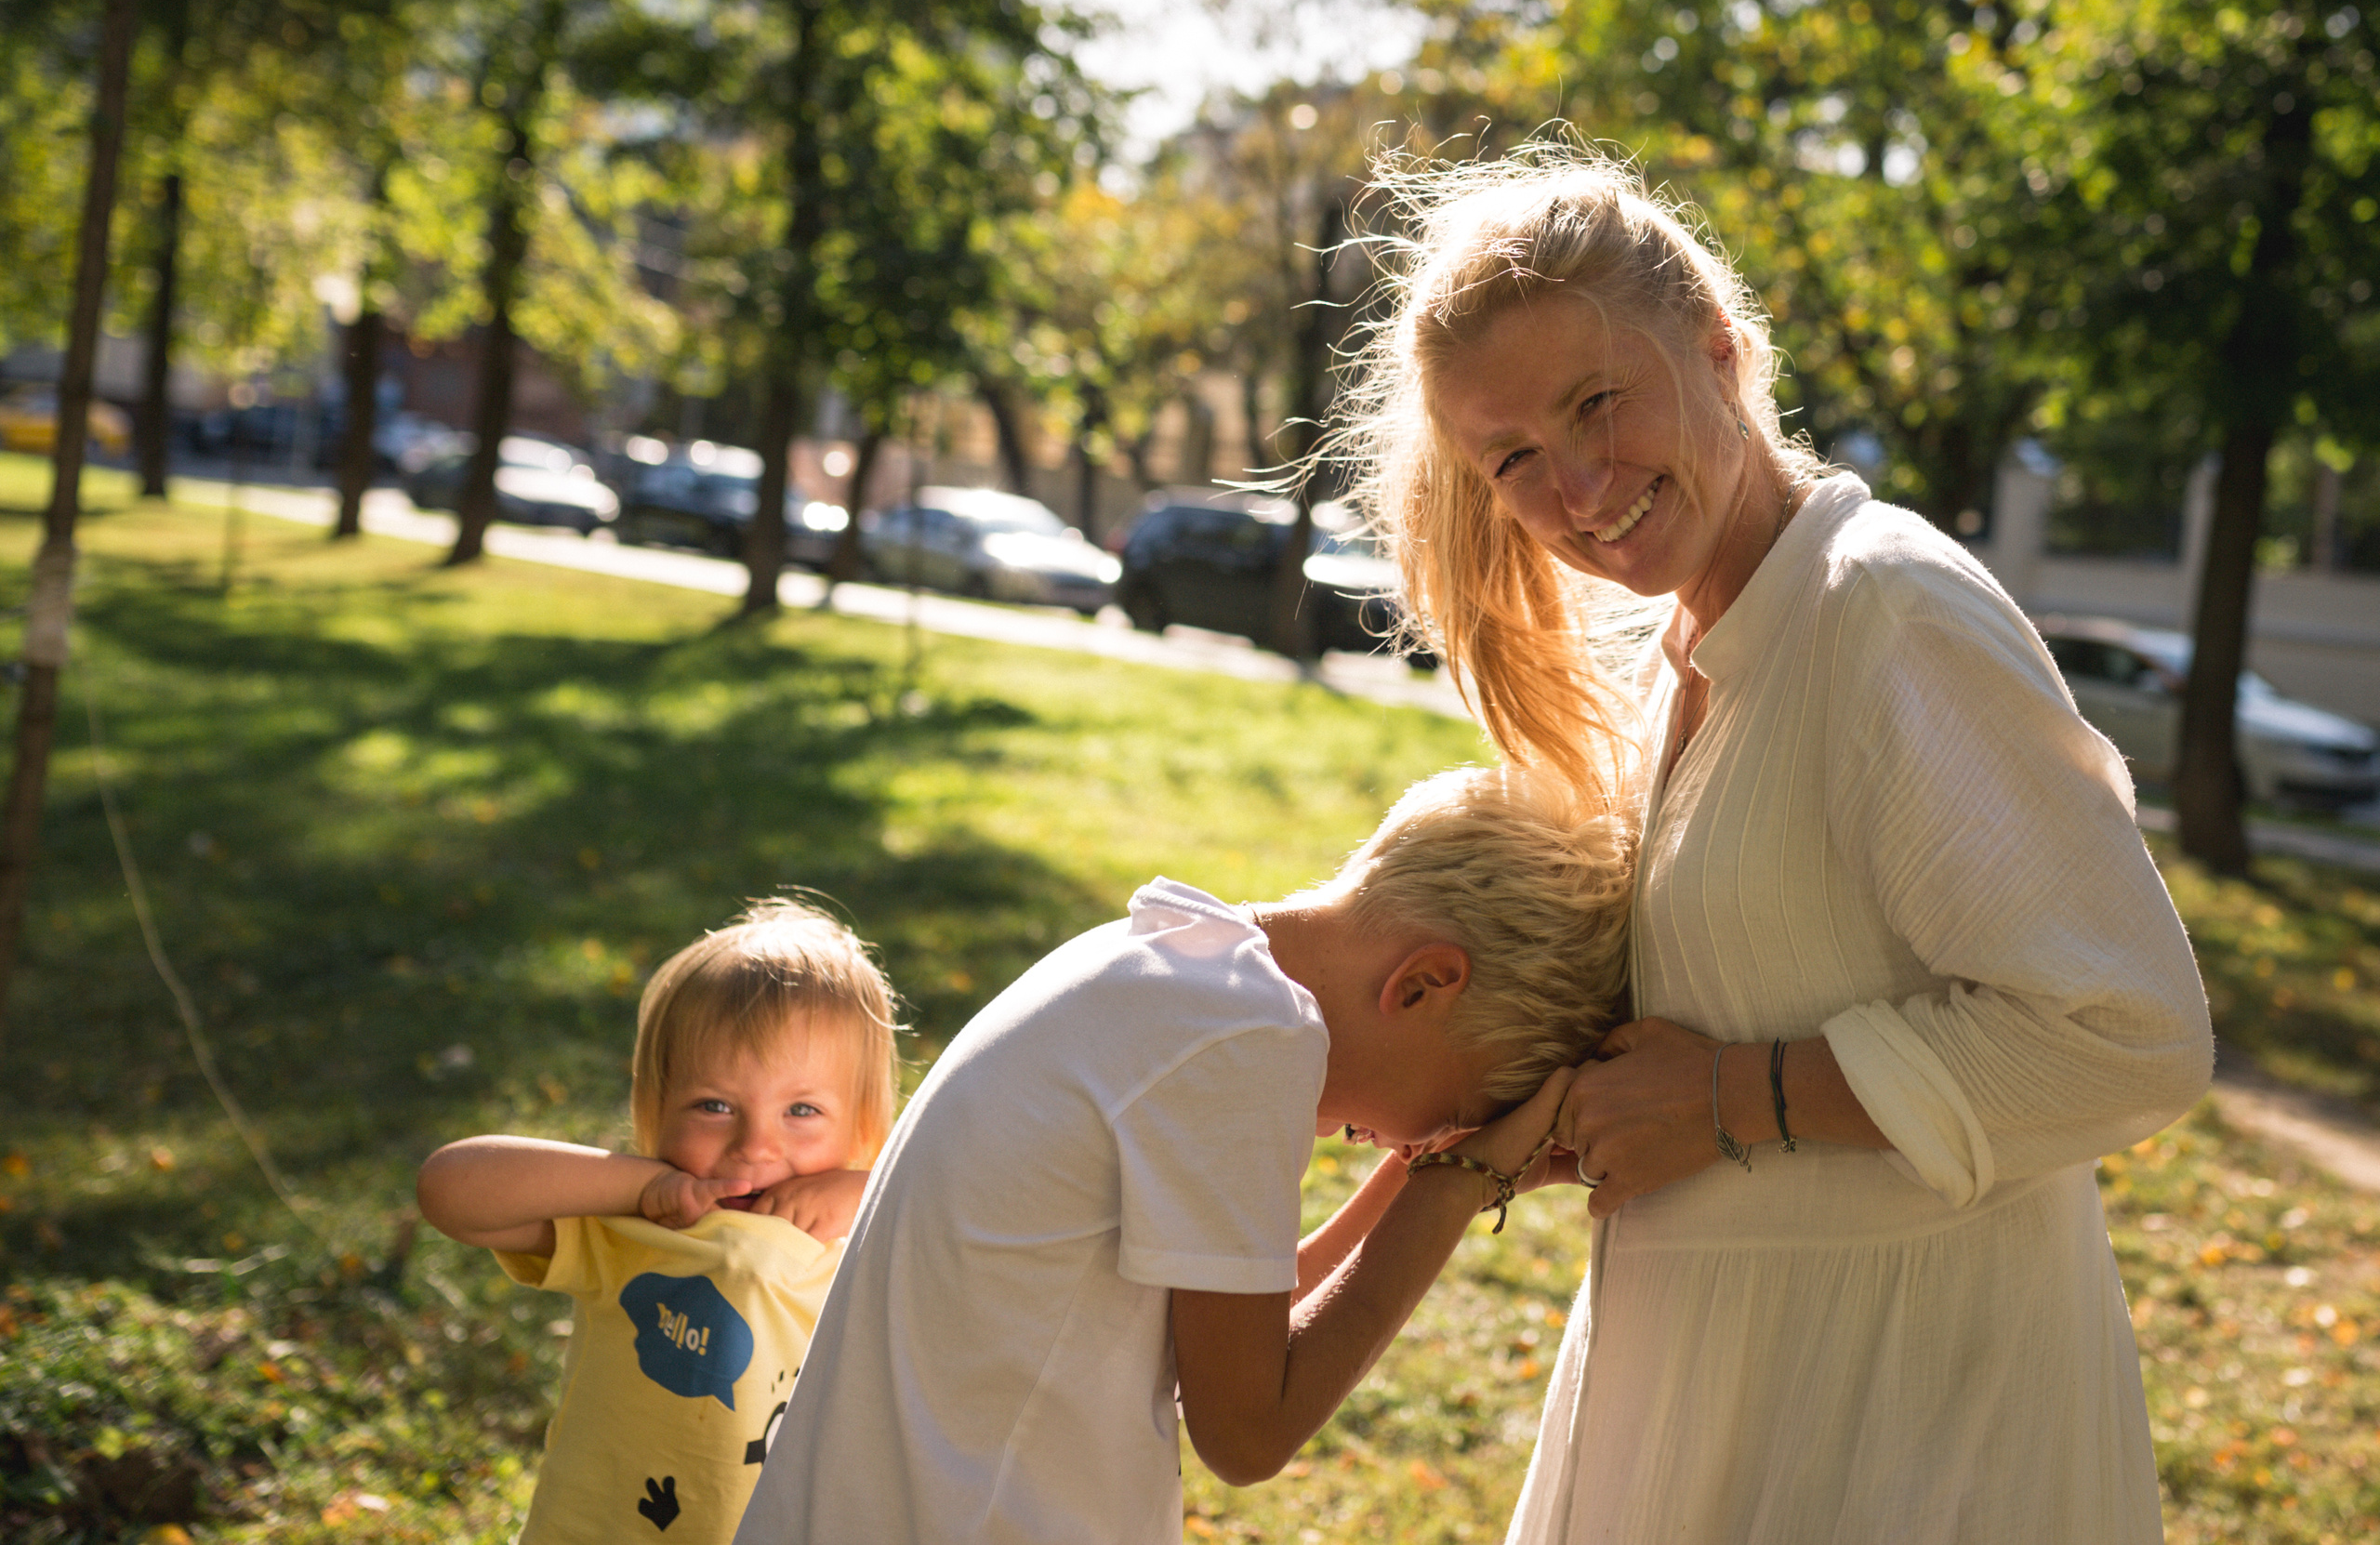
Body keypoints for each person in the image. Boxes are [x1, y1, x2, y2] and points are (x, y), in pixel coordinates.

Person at [1342, 147, 2214, 1542]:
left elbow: (2130, 1030)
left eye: (1598, 401)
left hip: (1905, 1412)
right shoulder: (1683, 652)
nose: (1575, 483)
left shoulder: (1882, 611)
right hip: (1711, 1377)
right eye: (1512, 457)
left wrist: (1740, 1094)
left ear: (1720, 346)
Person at [732, 763, 1633, 1545]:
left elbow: (1242, 1307)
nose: (1418, 1137)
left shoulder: (1181, 971)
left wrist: (1427, 1176)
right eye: (1455, 1107)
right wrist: (1449, 1188)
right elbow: (1246, 1432)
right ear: (1423, 984)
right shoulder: (1246, 1034)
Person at [416, 900, 901, 1545]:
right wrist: (640, 1186)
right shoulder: (628, 1227)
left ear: (865, 1126)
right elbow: (448, 1187)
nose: (755, 1145)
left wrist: (877, 1192)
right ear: (656, 1107)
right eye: (714, 1104)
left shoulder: (872, 1244)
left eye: (803, 1109)